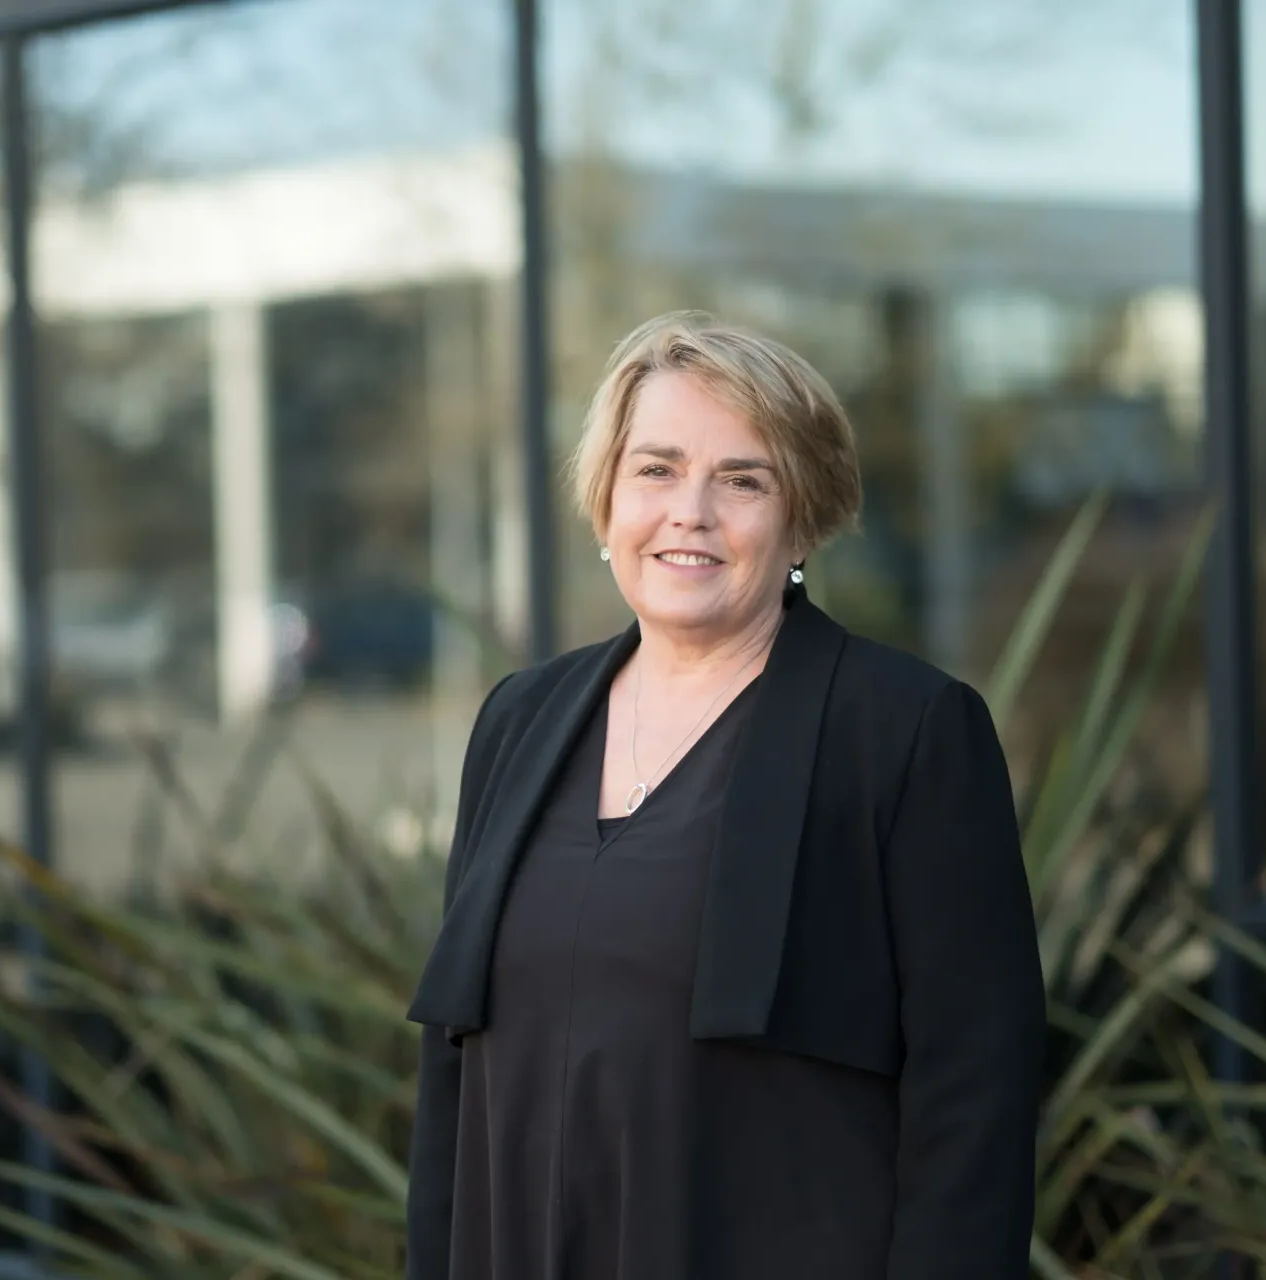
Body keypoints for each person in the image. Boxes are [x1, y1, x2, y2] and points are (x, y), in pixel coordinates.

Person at [405, 312, 1044, 1279]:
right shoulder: (517, 725)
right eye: (655, 470)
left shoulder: (904, 733)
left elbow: (975, 1098)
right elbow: (452, 1080)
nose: (690, 511)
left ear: (802, 519)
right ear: (606, 498)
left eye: (743, 480)